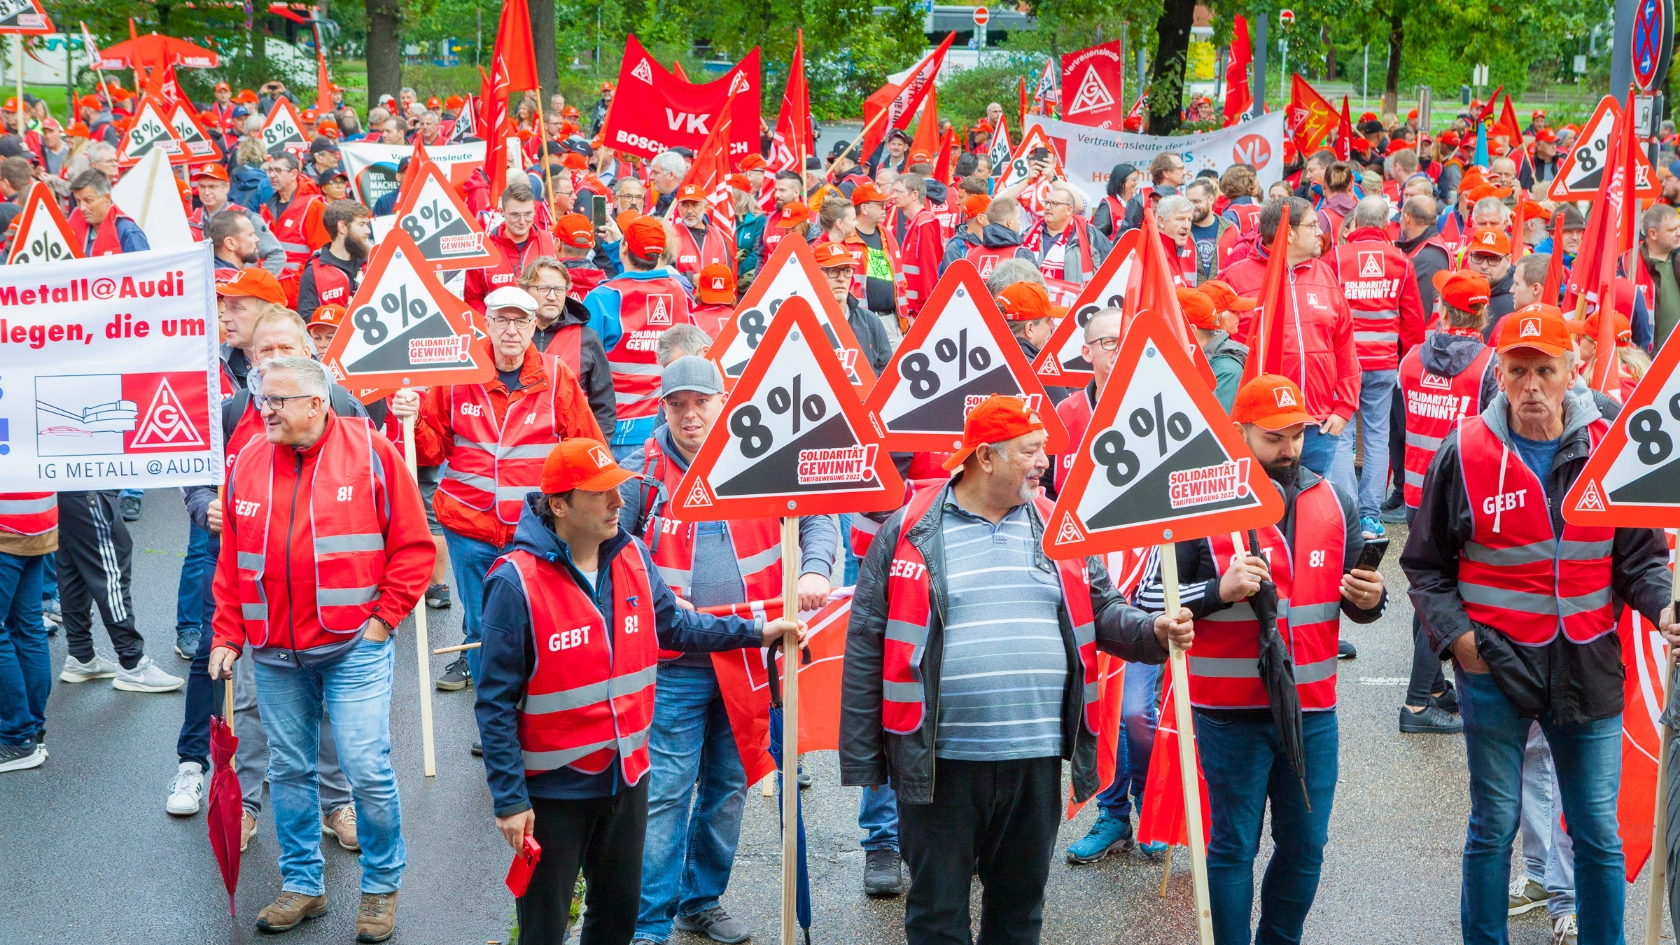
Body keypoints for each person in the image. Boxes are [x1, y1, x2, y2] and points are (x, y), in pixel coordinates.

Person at [840, 395, 1195, 945]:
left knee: (1019, 913)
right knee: (936, 916)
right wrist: (865, 758)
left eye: (1043, 450)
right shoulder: (907, 528)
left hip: (1032, 761)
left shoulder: (1059, 526)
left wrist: (1152, 632)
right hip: (938, 763)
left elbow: (1102, 610)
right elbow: (865, 641)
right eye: (1030, 451)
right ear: (985, 456)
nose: (1043, 462)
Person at [1403, 305, 1674, 945]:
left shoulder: (1612, 446)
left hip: (1587, 665)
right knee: (1492, 825)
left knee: (1597, 831)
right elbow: (1425, 567)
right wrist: (1462, 643)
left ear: (1570, 371)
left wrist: (1664, 606)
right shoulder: (1464, 450)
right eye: (1517, 370)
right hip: (1494, 668)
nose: (1530, 387)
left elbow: (1639, 560)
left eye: (1544, 371)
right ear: (1497, 371)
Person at [473, 438, 806, 945]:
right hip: (553, 792)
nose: (617, 503)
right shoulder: (514, 582)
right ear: (559, 505)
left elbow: (674, 626)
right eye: (601, 493)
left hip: (626, 778)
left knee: (616, 921)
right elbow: (494, 703)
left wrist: (754, 631)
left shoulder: (631, 555)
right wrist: (510, 800)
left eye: (618, 491)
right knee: (542, 929)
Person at [1134, 373, 1385, 944]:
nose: (1290, 448)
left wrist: (1373, 599)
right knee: (1233, 846)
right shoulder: (1201, 504)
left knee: (1306, 845)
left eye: (1297, 433)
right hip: (1229, 712)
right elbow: (1149, 602)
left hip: (1313, 710)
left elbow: (1355, 600)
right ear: (1237, 431)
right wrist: (1217, 591)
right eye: (1274, 437)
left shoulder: (1333, 498)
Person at [208, 356, 433, 942]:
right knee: (290, 771)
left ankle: (381, 887)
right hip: (275, 651)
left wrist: (384, 621)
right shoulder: (250, 458)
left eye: (278, 401)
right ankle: (303, 885)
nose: (265, 410)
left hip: (354, 644)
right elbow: (233, 559)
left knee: (366, 768)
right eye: (263, 400)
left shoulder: (372, 452)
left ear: (317, 403)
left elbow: (413, 547)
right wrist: (228, 633)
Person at [614, 358, 836, 945]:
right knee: (664, 792)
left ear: (724, 401)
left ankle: (701, 900)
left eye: (701, 402)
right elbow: (619, 556)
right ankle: (648, 923)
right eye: (676, 403)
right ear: (661, 407)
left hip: (750, 660)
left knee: (727, 789)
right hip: (674, 663)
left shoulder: (763, 456)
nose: (689, 414)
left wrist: (814, 569)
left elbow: (817, 518)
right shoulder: (641, 474)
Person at [394, 286, 604, 695]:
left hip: (533, 530)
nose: (511, 330)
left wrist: (586, 520)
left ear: (534, 326)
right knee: (480, 625)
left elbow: (585, 447)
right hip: (468, 527)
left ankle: (528, 721)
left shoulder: (558, 375)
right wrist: (415, 420)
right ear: (486, 323)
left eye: (521, 320)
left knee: (535, 623)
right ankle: (492, 725)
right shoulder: (456, 375)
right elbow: (434, 448)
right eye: (502, 320)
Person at [1394, 271, 1497, 737]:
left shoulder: (1412, 358)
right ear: (1482, 313)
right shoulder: (1489, 366)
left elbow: (1398, 428)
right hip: (1461, 498)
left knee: (1428, 588)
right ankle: (1416, 705)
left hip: (1417, 491)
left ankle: (1434, 689)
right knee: (1438, 599)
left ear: (1444, 308)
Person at [1222, 197, 1361, 512]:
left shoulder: (1325, 275)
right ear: (1288, 233)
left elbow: (1345, 345)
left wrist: (1344, 408)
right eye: (1313, 226)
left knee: (1310, 511)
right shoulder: (1235, 279)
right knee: (1261, 511)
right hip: (1263, 430)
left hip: (1317, 425)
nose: (1321, 234)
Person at [1331, 196, 1425, 538]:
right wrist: (1407, 362)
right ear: (1387, 224)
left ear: (1355, 222)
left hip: (1344, 365)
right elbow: (1413, 323)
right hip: (1385, 365)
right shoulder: (1401, 261)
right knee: (1376, 437)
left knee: (1340, 438)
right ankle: (1371, 516)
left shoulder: (1337, 259)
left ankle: (1349, 514)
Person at [584, 216, 695, 460]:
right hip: (666, 428)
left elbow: (581, 369)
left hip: (616, 430)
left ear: (624, 248)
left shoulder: (602, 297)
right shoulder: (680, 291)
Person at [520, 256, 617, 438]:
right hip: (519, 453)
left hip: (570, 450)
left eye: (558, 289)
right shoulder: (511, 335)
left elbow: (604, 405)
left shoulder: (587, 338)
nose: (551, 296)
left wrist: (599, 450)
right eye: (543, 288)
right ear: (525, 290)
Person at [0, 489, 56, 772]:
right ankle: (31, 731)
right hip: (37, 520)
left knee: (21, 629)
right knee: (28, 628)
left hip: (5, 524)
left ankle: (17, 736)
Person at [466, 181, 559, 313]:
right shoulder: (484, 247)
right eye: (515, 215)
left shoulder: (549, 240)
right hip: (499, 328)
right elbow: (473, 298)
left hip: (540, 328)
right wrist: (490, 325)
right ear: (502, 212)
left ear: (534, 210)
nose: (522, 221)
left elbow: (560, 288)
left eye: (527, 214)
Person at [190, 163, 287, 276]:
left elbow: (277, 254)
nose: (206, 192)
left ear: (226, 187)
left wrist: (256, 283)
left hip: (238, 290)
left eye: (212, 187)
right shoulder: (192, 220)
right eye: (202, 186)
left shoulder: (246, 217)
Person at [812, 242, 892, 375]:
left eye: (847, 271)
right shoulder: (805, 322)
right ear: (814, 274)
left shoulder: (871, 322)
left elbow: (887, 374)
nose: (841, 278)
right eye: (833, 271)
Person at [1025, 181, 1114, 291]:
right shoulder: (1028, 235)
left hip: (1076, 304)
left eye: (1055, 203)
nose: (1048, 207)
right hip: (1035, 303)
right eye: (1046, 203)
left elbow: (1108, 274)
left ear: (1069, 210)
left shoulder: (1089, 235)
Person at [293, 199, 369, 323]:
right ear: (342, 227)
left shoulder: (373, 262)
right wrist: (343, 314)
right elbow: (306, 320)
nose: (367, 231)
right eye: (361, 225)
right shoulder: (313, 272)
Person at [1180, 285, 1249, 409]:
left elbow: (1211, 425)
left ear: (1190, 330)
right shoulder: (1196, 357)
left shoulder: (1225, 371)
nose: (1241, 315)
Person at [260, 152, 329, 275]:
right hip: (271, 285)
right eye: (270, 170)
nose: (272, 175)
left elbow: (322, 254)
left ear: (294, 174)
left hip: (297, 288)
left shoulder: (313, 206)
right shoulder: (266, 208)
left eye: (278, 170)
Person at [892, 172, 943, 322]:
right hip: (911, 309)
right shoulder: (917, 223)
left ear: (915, 195)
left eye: (899, 191)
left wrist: (921, 314)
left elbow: (929, 272)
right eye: (893, 191)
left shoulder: (924, 224)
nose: (894, 196)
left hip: (917, 312)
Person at [68, 169, 147, 255]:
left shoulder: (128, 233)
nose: (82, 208)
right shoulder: (75, 221)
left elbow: (144, 267)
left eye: (88, 201)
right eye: (78, 201)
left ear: (107, 198)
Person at [671, 183, 737, 281]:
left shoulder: (718, 236)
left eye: (695, 204)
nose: (689, 211)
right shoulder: (671, 235)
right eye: (684, 205)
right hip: (683, 296)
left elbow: (727, 274)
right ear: (678, 208)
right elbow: (663, 277)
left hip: (713, 295)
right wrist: (691, 278)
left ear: (705, 208)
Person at [1637, 203, 1680, 351]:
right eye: (1672, 230)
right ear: (1653, 234)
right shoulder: (1628, 265)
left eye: (1679, 227)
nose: (1679, 233)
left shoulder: (1678, 261)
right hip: (1646, 361)